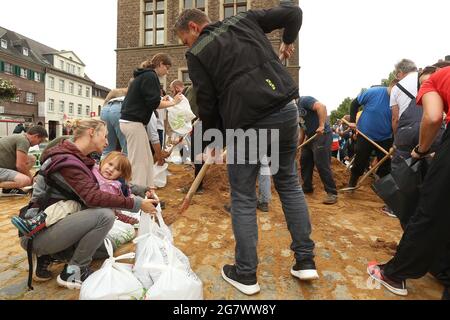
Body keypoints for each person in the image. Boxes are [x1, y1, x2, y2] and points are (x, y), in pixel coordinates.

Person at [175, 3, 318, 296]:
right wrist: (288, 42)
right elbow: (294, 14)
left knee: (242, 197)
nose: (187, 46)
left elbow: (207, 101)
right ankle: (305, 261)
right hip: (285, 111)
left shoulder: (198, 52)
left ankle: (246, 274)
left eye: (185, 40)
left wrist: (214, 140)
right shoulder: (244, 20)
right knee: (289, 184)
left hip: (247, 123)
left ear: (193, 27)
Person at [18, 119, 158, 289]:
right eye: (105, 136)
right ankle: (74, 271)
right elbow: (93, 197)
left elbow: (108, 184)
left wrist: (141, 191)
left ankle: (54, 254)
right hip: (37, 233)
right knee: (105, 216)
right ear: (92, 132)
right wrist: (137, 203)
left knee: (107, 248)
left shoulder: (80, 159)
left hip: (57, 225)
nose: (107, 141)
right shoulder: (68, 162)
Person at [367, 65, 450, 300]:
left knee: (430, 211)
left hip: (421, 145)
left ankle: (394, 274)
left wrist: (421, 150)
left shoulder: (432, 82)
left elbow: (433, 117)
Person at [11, 151, 152, 237]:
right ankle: (34, 223)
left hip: (95, 215)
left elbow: (120, 202)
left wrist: (144, 190)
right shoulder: (91, 170)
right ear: (102, 162)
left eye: (116, 169)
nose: (111, 170)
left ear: (121, 175)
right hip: (80, 206)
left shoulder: (116, 185)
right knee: (65, 205)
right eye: (110, 164)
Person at [119, 54, 183, 187]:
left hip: (131, 122)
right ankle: (137, 194)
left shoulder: (144, 75)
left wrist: (161, 100)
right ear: (160, 64)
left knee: (147, 158)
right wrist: (174, 103)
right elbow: (153, 103)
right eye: (167, 67)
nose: (167, 72)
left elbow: (149, 100)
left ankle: (147, 190)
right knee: (139, 161)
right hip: (133, 122)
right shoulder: (150, 76)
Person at [346, 82, 396, 188]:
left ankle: (383, 189)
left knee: (386, 164)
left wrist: (394, 141)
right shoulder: (373, 92)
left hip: (385, 137)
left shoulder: (399, 98)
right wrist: (352, 121)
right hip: (365, 134)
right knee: (360, 159)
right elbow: (354, 104)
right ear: (391, 86)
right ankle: (352, 183)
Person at [298, 96, 338, 205]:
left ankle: (332, 193)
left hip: (322, 135)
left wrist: (321, 125)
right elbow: (302, 128)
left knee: (321, 163)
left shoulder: (304, 100)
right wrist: (299, 145)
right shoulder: (295, 110)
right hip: (310, 137)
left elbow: (322, 107)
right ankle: (307, 187)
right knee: (304, 161)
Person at [0, 125, 48, 195]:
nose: (38, 144)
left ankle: (8, 188)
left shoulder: (21, 137)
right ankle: (8, 186)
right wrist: (31, 180)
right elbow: (20, 166)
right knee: (26, 180)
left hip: (3, 166)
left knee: (32, 159)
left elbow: (22, 163)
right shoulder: (24, 141)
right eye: (40, 141)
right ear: (35, 136)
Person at [101, 87, 129, 157]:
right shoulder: (132, 91)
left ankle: (103, 167)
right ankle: (127, 167)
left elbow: (105, 102)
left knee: (107, 149)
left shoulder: (115, 91)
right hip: (119, 108)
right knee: (127, 149)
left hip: (105, 109)